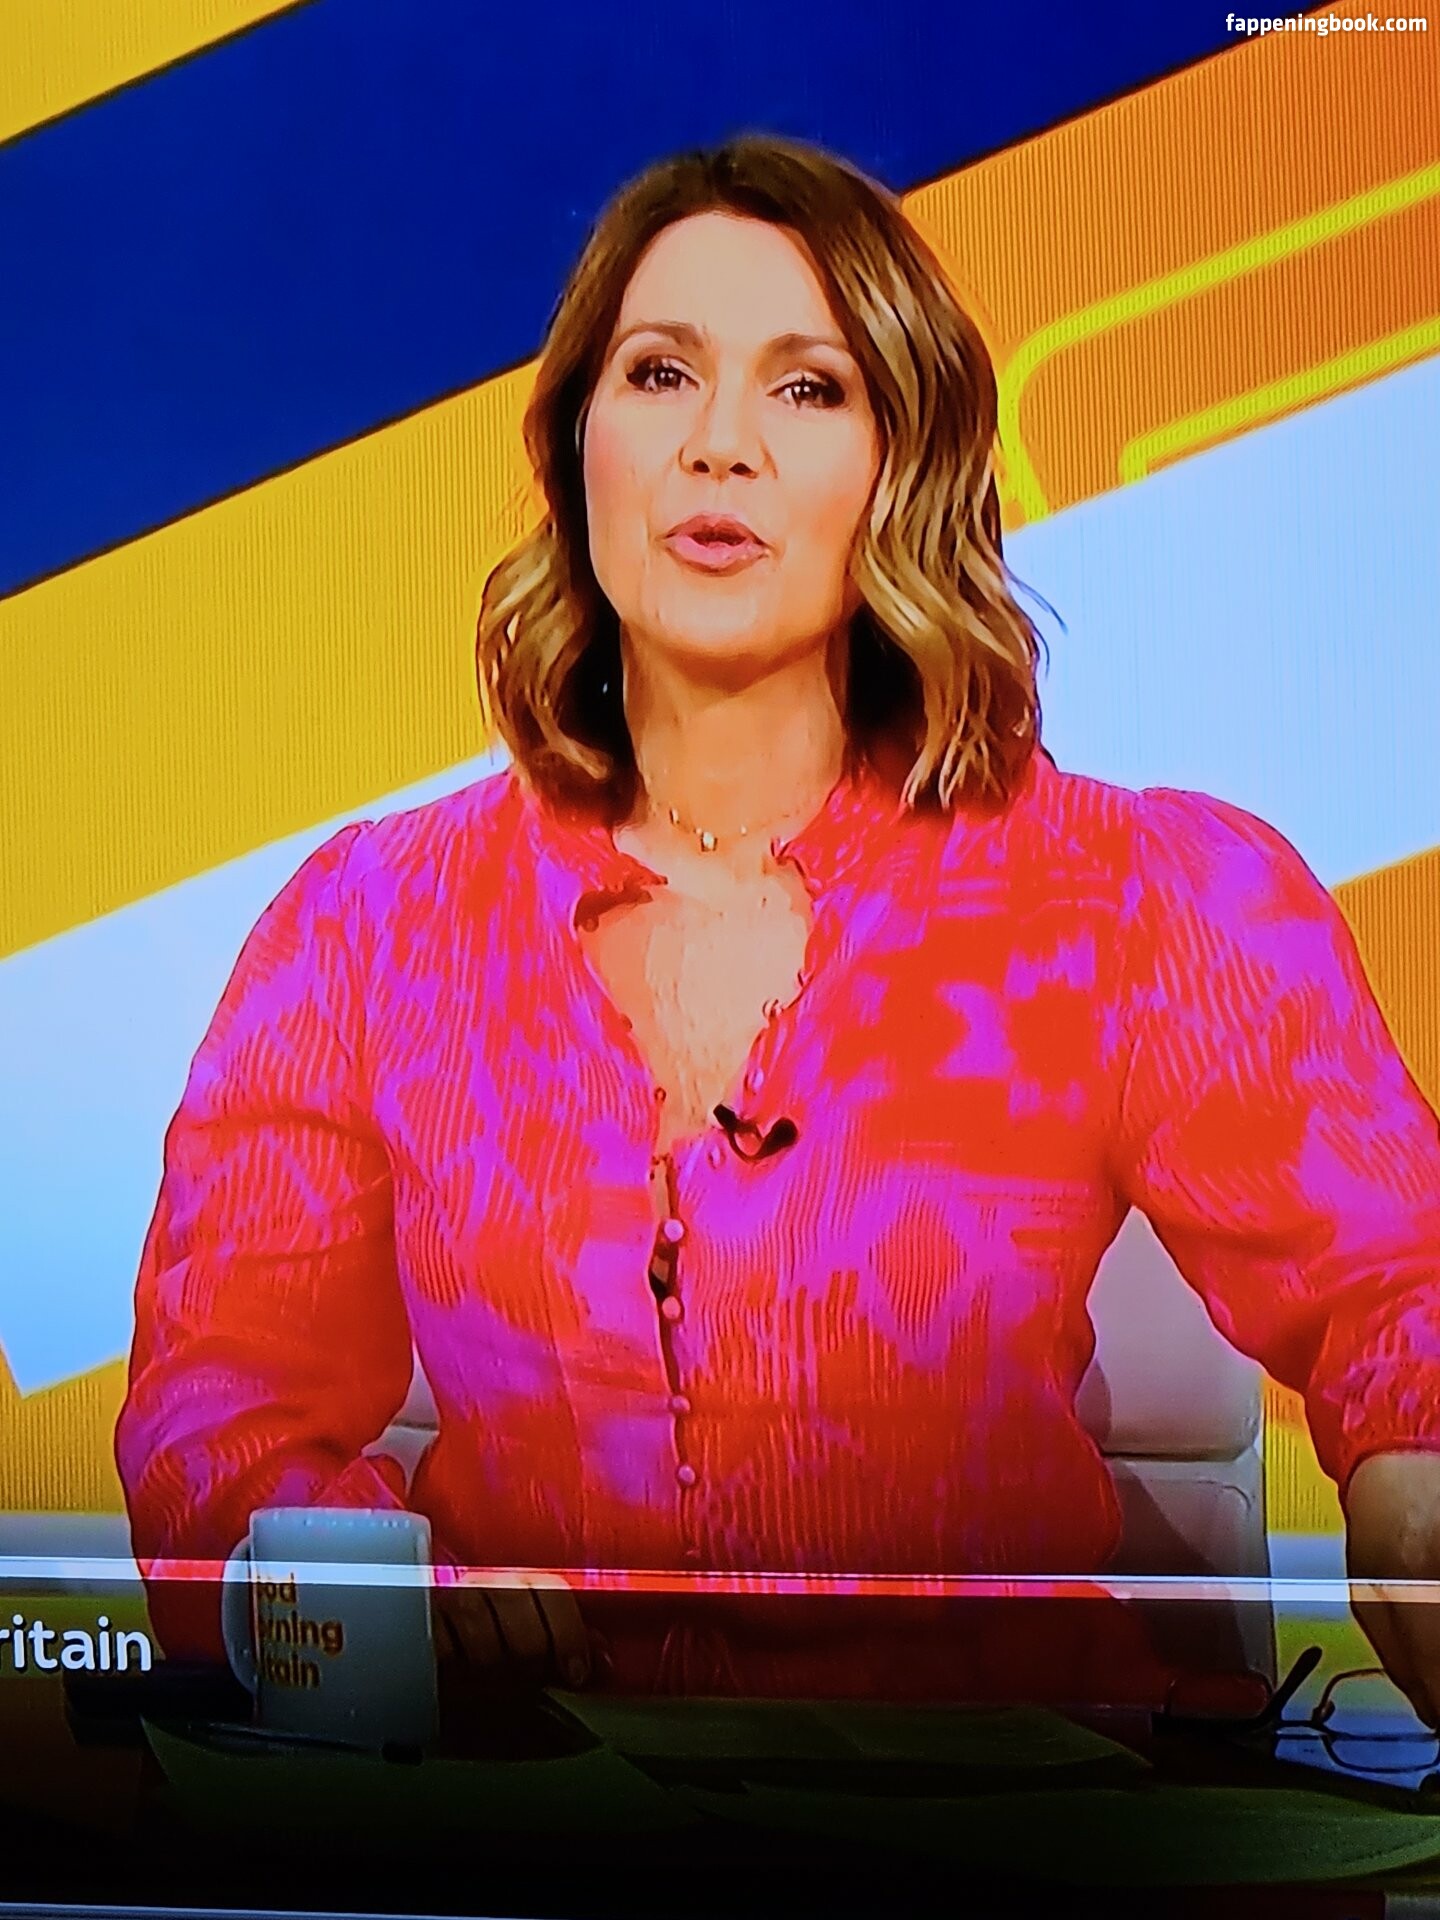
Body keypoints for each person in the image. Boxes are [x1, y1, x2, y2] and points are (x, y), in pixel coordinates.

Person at [116, 134, 1440, 1721]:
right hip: (527, 1801)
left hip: (1009, 1804)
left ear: (901, 464)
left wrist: (1412, 1475)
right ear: (578, 448)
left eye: (807, 388)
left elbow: (1399, 1282)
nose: (719, 447)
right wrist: (396, 1607)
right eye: (661, 375)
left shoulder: (1132, 898)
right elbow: (216, 1431)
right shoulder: (366, 933)